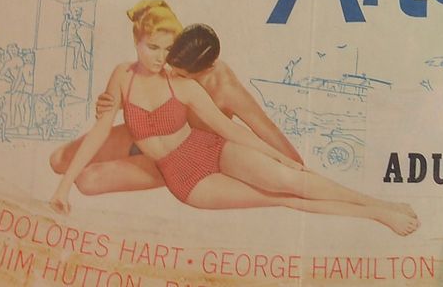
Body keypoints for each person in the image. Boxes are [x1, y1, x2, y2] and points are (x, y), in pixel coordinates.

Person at [50, 0, 418, 234]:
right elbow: (99, 133)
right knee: (66, 168)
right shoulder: (122, 75)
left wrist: (279, 158)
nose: (161, 58)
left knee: (287, 185)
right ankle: (373, 208)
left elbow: (230, 128)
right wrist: (62, 188)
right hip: (181, 177)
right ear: (136, 42)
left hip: (210, 148)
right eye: (153, 48)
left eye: (166, 50)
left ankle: (378, 209)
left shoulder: (189, 85)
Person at [46, 22, 307, 193]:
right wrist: (110, 100)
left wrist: (276, 166)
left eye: (179, 74)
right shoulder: (184, 50)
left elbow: (282, 148)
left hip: (176, 157)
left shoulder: (226, 88)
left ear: (205, 70)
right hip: (141, 129)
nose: (168, 72)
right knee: (58, 160)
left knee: (86, 181)